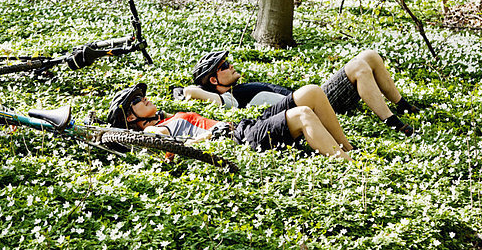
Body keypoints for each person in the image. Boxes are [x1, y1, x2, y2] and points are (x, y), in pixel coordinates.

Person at [183, 50, 419, 136]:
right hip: (317, 104)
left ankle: (404, 106)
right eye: (224, 66)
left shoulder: (238, 88)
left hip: (315, 96)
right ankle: (391, 121)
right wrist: (189, 90)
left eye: (227, 61)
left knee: (369, 56)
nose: (230, 65)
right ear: (214, 79)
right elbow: (206, 96)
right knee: (358, 66)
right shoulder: (230, 98)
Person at [107, 82, 358, 161]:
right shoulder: (155, 130)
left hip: (243, 126)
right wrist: (206, 137)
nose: (146, 98)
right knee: (303, 114)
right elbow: (160, 145)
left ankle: (348, 149)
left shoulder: (167, 117)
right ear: (130, 116)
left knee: (311, 92)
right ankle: (348, 166)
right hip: (239, 139)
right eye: (138, 100)